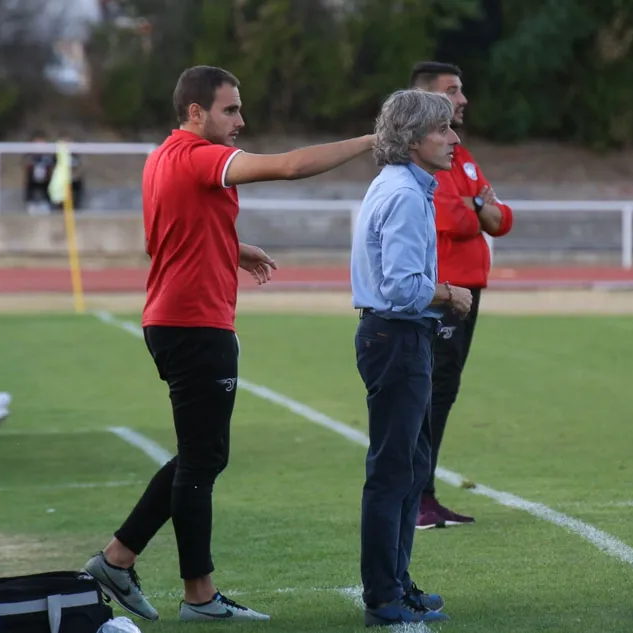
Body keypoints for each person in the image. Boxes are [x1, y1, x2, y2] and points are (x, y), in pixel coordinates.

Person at [83, 65, 375, 623]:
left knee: (203, 454)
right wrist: (367, 141)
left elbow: (161, 235)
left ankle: (118, 560)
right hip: (195, 325)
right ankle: (197, 596)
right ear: (197, 113)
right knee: (201, 459)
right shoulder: (200, 156)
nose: (241, 120)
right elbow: (289, 167)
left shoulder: (163, 155)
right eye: (230, 109)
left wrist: (231, 247)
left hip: (174, 320)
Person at [350, 88, 473, 626]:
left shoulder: (400, 185)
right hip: (397, 336)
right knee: (395, 469)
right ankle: (384, 592)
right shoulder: (404, 193)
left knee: (409, 465)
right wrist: (450, 293)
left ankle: (396, 582)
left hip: (396, 338)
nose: (453, 138)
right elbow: (401, 288)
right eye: (442, 129)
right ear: (412, 137)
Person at [407, 62, 514, 529]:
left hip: (468, 289)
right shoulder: (422, 158)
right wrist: (478, 206)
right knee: (429, 392)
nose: (464, 99)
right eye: (453, 91)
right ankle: (416, 496)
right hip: (443, 292)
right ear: (427, 100)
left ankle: (423, 494)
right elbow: (450, 217)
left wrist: (479, 208)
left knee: (443, 392)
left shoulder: (461, 154)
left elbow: (503, 219)